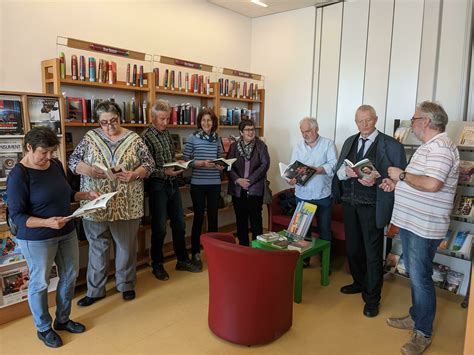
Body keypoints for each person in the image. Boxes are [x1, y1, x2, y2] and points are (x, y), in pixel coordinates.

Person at [6, 127, 99, 348]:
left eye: (51, 152)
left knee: (69, 275)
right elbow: (18, 217)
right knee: (39, 282)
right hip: (37, 238)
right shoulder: (19, 175)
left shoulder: (55, 164)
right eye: (43, 152)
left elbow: (66, 194)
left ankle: (63, 319)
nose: (49, 157)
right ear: (29, 147)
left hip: (65, 230)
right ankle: (43, 328)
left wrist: (86, 195)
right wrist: (47, 222)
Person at [381, 101, 459, 354]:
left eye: (414, 118)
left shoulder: (442, 148)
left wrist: (401, 176)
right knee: (416, 276)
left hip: (424, 227)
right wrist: (397, 185)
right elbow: (421, 182)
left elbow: (433, 184)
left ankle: (423, 332)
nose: (411, 122)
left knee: (421, 278)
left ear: (425, 121)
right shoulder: (430, 147)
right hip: (412, 223)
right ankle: (416, 317)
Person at [69, 101, 155, 306]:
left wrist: (135, 174)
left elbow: (149, 164)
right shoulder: (90, 138)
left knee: (125, 247)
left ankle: (125, 284)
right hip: (96, 202)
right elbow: (72, 161)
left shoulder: (134, 139)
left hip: (127, 203)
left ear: (120, 118)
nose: (109, 126)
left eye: (113, 121)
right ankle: (95, 290)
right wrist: (89, 170)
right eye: (104, 122)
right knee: (97, 248)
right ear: (98, 122)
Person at [332, 104, 406, 318]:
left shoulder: (391, 145)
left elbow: (399, 179)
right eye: (359, 121)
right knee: (353, 248)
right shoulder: (349, 141)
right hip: (349, 203)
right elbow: (338, 172)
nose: (364, 124)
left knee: (373, 253)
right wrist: (346, 173)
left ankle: (372, 298)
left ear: (376, 119)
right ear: (355, 121)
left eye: (368, 120)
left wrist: (376, 179)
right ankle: (359, 282)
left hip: (373, 206)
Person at [142, 99, 200, 281]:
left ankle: (181, 259)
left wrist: (179, 163)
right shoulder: (145, 137)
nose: (165, 122)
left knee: (179, 224)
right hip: (157, 186)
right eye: (161, 119)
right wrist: (164, 171)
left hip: (173, 183)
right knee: (159, 227)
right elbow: (146, 167)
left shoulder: (167, 134)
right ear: (152, 118)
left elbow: (170, 158)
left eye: (167, 119)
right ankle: (157, 264)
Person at [182, 108, 224, 271]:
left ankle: (215, 251)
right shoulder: (192, 138)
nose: (206, 123)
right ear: (199, 122)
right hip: (198, 184)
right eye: (203, 120)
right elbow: (185, 161)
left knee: (213, 218)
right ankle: (195, 253)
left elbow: (220, 158)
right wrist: (200, 163)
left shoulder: (217, 138)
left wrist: (221, 166)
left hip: (214, 183)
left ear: (213, 123)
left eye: (209, 120)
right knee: (199, 218)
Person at [288, 117, 337, 252]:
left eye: (308, 131)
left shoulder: (328, 144)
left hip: (322, 194)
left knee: (324, 230)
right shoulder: (298, 145)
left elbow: (334, 165)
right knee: (302, 231)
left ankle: (325, 261)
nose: (305, 135)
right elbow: (293, 166)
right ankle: (304, 260)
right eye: (302, 132)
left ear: (316, 129)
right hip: (302, 194)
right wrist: (290, 178)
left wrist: (317, 170)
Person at [227, 119, 270, 246]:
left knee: (256, 220)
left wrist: (249, 181)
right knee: (241, 220)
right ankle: (243, 248)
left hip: (255, 189)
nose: (251, 132)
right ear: (241, 132)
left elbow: (265, 164)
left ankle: (258, 248)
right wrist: (238, 180)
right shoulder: (234, 146)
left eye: (252, 129)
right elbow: (228, 166)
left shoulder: (261, 146)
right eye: (247, 130)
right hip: (238, 190)